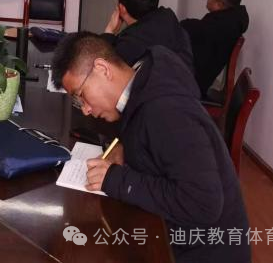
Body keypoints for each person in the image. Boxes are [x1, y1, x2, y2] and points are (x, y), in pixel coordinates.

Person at [52, 33, 250, 263]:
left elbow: (203, 204)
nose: (85, 110)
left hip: (201, 250)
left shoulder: (166, 111)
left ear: (102, 69)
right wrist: (125, 145)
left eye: (81, 96)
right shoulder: (145, 80)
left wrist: (116, 180)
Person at [102, 0, 193, 71]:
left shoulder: (130, 43)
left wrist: (109, 32)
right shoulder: (168, 18)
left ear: (122, 8)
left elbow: (103, 67)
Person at [181, 0, 249, 98]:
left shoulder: (221, 27)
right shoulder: (228, 21)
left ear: (219, 4)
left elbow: (193, 30)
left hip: (192, 85)